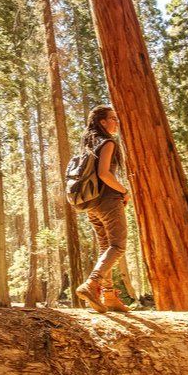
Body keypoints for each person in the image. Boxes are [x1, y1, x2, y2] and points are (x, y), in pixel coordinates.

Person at [75, 105, 131, 313]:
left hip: (91, 204)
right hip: (108, 201)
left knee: (106, 247)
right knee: (118, 246)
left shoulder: (88, 145)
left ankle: (108, 296)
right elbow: (105, 174)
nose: (116, 122)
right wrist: (125, 191)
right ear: (102, 122)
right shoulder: (107, 143)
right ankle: (92, 283)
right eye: (113, 118)